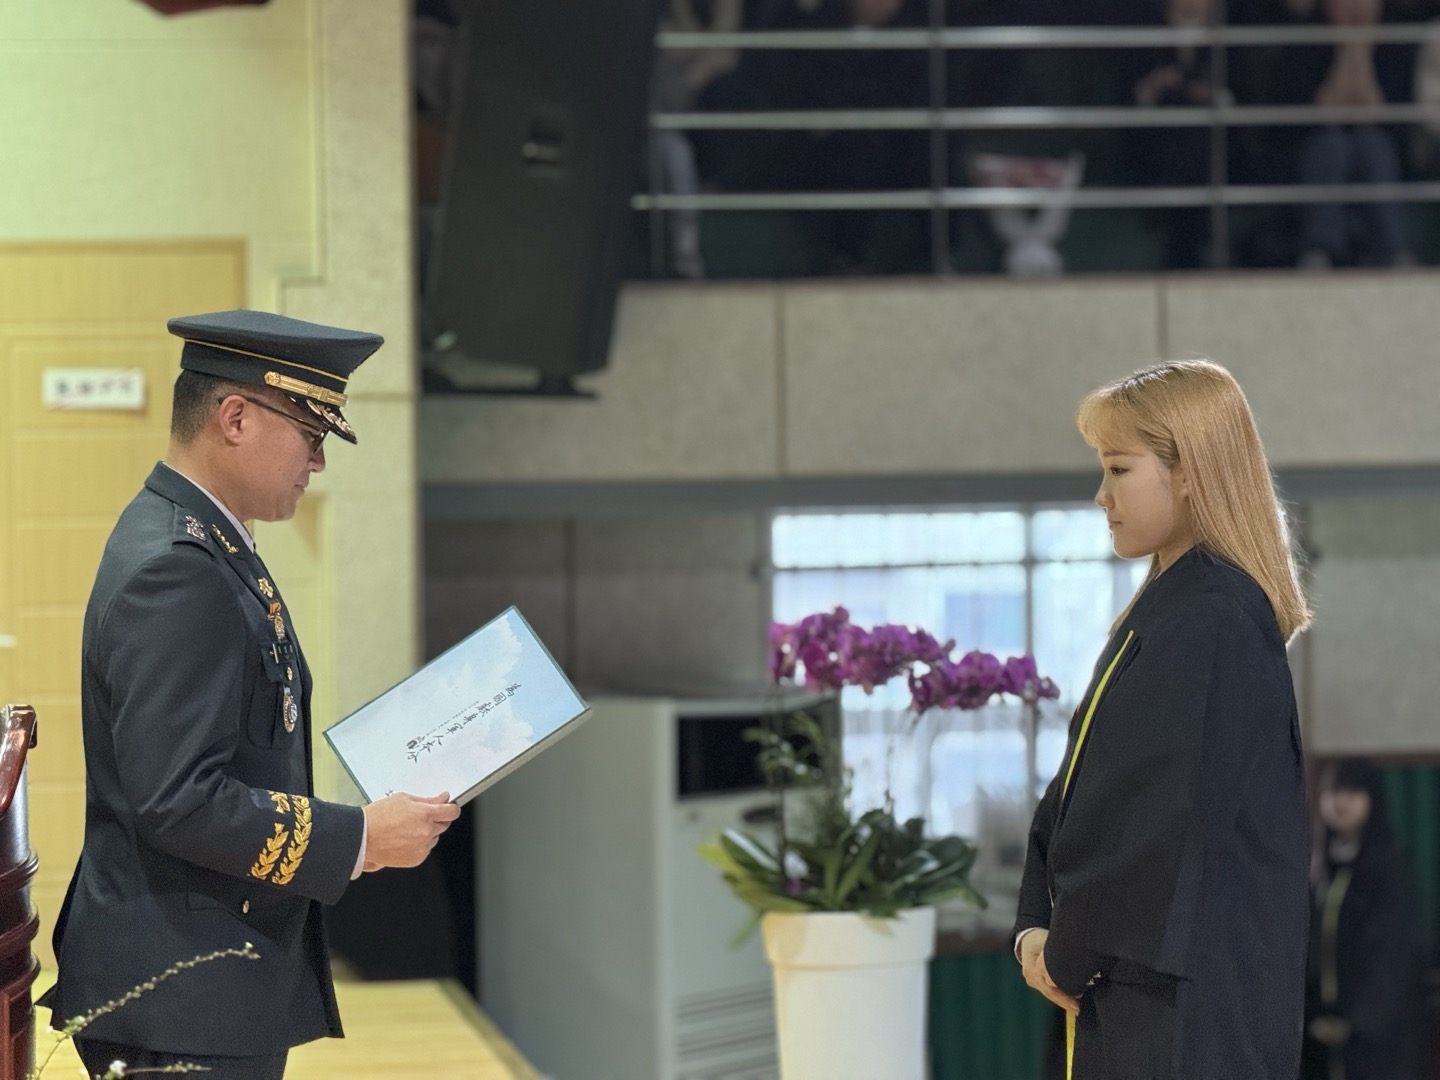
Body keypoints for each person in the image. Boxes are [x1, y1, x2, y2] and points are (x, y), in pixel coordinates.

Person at [38, 310, 461, 1080]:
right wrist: (360, 839)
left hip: (204, 981)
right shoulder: (179, 566)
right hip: (183, 994)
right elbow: (178, 800)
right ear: (235, 418)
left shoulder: (206, 538)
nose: (318, 461)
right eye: (311, 433)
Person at [1013, 359, 1312, 1079]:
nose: (1102, 495)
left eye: (1119, 469)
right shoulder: (1175, 608)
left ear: (1189, 474)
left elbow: (1151, 816)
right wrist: (1035, 925)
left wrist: (1064, 949)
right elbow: (1081, 791)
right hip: (1141, 988)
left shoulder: (1212, 617)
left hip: (1183, 1014)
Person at [1301, 758, 1424, 1080]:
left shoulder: (1391, 866)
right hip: (1319, 1028)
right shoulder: (1318, 869)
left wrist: (1356, 1023)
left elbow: (1395, 952)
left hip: (1376, 1034)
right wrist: (1312, 1014)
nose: (1340, 802)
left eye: (1352, 791)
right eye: (1333, 791)